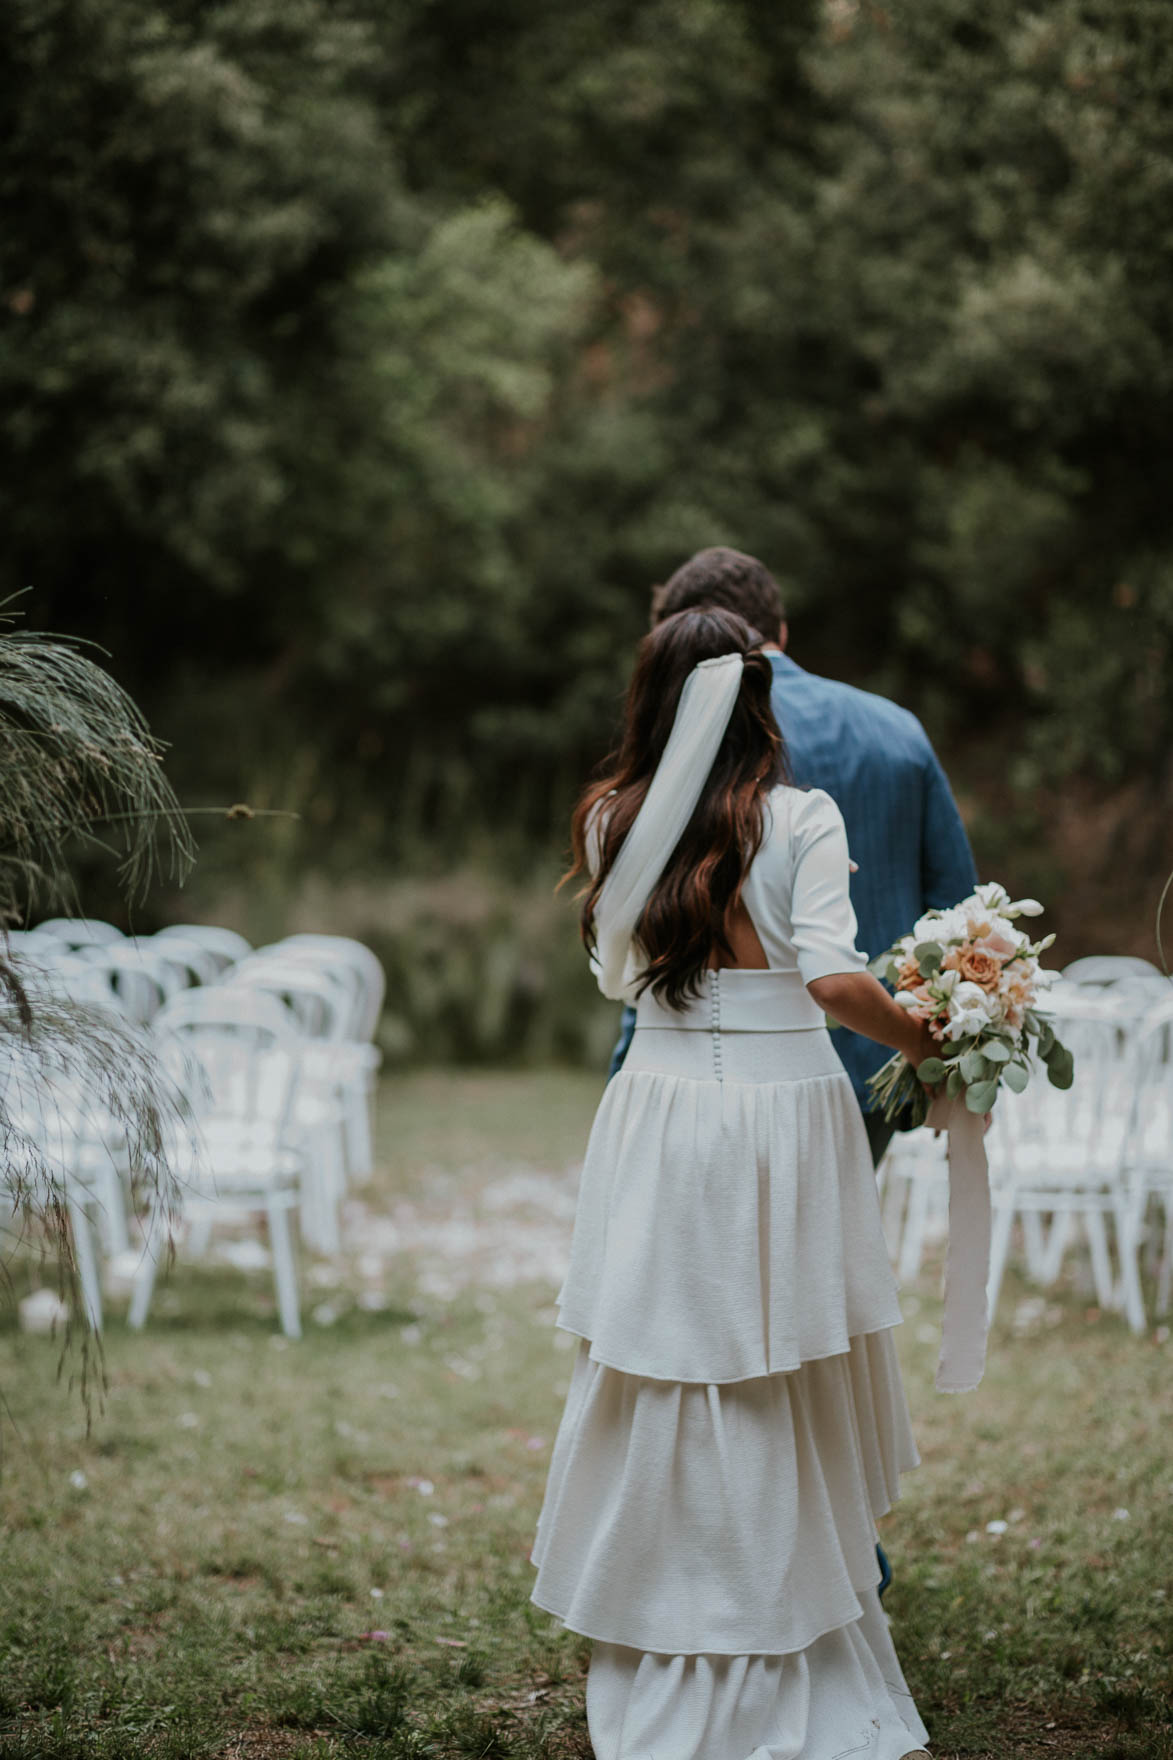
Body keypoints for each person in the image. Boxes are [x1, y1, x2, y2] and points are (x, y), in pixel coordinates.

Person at [531, 606, 936, 1759]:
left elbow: (617, 976)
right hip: (785, 1111)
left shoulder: (614, 819)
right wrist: (926, 1040)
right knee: (776, 1362)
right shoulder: (802, 815)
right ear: (760, 695)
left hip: (660, 1106)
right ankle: (779, 1617)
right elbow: (836, 982)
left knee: (665, 1357)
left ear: (650, 695)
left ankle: (663, 1618)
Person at [609, 545, 977, 1169]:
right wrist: (954, 1050)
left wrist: (630, 1053)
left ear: (686, 638)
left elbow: (664, 912)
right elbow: (957, 908)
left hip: (720, 1066)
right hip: (878, 1063)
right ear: (779, 629)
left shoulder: (696, 739)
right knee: (819, 1253)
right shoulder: (897, 729)